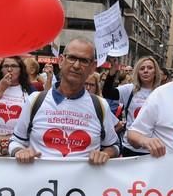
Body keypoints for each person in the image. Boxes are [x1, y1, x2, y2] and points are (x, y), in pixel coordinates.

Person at [9, 37, 119, 165]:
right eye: (72, 58)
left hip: (83, 184)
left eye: (84, 61)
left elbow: (114, 146)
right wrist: (19, 151)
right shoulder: (35, 100)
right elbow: (15, 141)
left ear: (92, 67)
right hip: (39, 184)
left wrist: (105, 154)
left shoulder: (100, 105)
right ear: (61, 61)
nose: (76, 66)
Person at [103, 56, 163, 156]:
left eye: (150, 68)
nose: (146, 71)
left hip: (153, 150)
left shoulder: (162, 92)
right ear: (137, 72)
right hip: (129, 147)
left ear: (155, 71)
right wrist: (113, 69)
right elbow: (107, 93)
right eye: (142, 68)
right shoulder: (130, 90)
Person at [0, 56, 36, 156]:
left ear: (21, 69)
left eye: (14, 66)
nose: (9, 69)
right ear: (1, 70)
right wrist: (1, 88)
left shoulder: (29, 89)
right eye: (6, 66)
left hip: (19, 145)